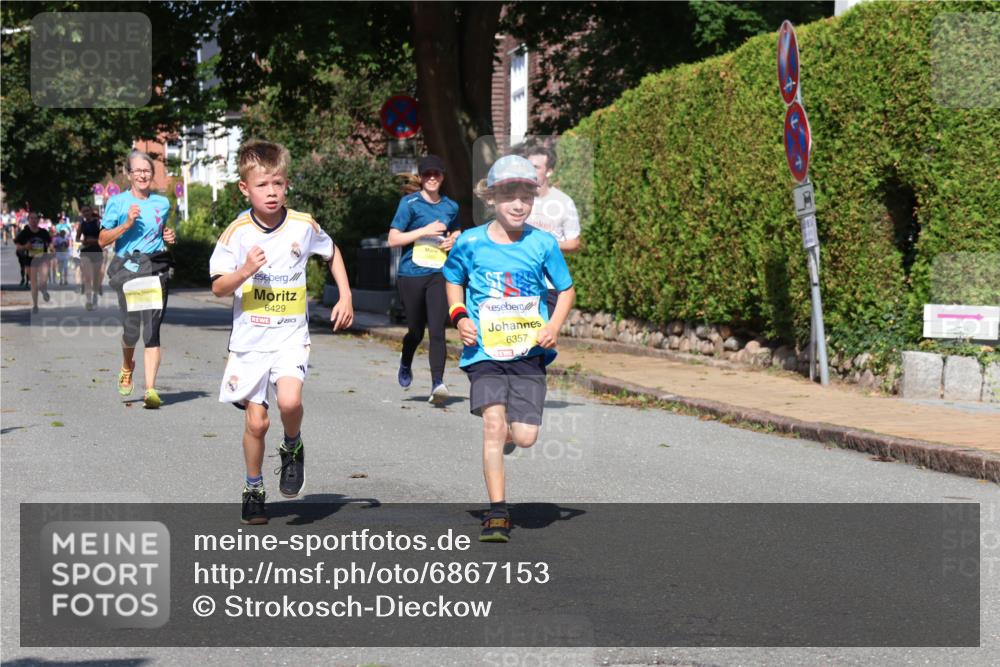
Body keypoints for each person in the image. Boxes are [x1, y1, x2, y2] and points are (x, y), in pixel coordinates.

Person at [209, 139, 354, 525]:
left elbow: (332, 251)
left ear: (286, 183)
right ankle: (254, 488)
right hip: (249, 344)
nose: (271, 192)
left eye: (277, 183)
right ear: (245, 188)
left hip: (290, 337)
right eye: (262, 185)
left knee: (290, 403)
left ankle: (292, 447)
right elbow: (219, 287)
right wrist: (243, 272)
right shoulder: (237, 232)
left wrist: (346, 295)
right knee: (257, 422)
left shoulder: (303, 225)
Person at [442, 155, 576, 543]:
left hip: (528, 353)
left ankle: (507, 443)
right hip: (485, 351)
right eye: (509, 196)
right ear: (491, 199)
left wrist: (552, 326)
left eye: (525, 197)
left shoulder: (543, 243)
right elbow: (452, 279)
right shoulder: (470, 243)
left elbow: (565, 290)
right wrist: (461, 316)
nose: (518, 205)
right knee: (494, 425)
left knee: (526, 435)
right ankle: (497, 513)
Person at [99, 151, 176, 409]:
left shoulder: (162, 203)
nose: (143, 175)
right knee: (131, 330)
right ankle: (126, 366)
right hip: (128, 268)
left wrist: (167, 236)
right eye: (138, 171)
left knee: (152, 330)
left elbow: (159, 231)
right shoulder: (117, 203)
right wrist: (126, 225)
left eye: (147, 171)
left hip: (155, 266)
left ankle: (151, 389)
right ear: (129, 174)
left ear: (152, 175)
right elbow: (102, 240)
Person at [387, 154, 462, 404]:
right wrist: (425, 231)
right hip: (411, 273)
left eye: (436, 174)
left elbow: (457, 229)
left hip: (439, 273)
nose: (432, 178)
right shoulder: (409, 204)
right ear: (420, 178)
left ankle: (437, 384)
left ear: (442, 177)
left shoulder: (451, 206)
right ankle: (406, 360)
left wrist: (455, 238)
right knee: (416, 331)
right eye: (427, 174)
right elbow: (393, 239)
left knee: (438, 329)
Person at [521, 143, 582, 316]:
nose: (530, 171)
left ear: (549, 171)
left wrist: (545, 243)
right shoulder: (515, 200)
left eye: (536, 167)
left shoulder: (564, 202)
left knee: (542, 337)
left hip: (548, 285)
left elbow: (574, 243)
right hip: (517, 282)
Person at [14, 212, 52, 313]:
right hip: (30, 260)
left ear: (38, 220)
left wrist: (52, 248)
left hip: (42, 258)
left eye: (36, 218)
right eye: (32, 218)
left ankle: (43, 290)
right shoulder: (24, 233)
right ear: (28, 220)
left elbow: (50, 242)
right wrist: (25, 247)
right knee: (34, 284)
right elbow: (17, 246)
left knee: (43, 280)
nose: (34, 220)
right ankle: (35, 305)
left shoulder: (43, 232)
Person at [77, 206, 104, 310]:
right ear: (82, 213)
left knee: (96, 277)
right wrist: (83, 241)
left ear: (91, 212)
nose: (86, 213)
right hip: (86, 251)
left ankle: (95, 296)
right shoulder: (82, 224)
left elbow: (103, 236)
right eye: (84, 211)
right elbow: (77, 238)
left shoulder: (98, 222)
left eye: (88, 211)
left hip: (97, 250)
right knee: (87, 277)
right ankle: (88, 300)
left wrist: (95, 240)